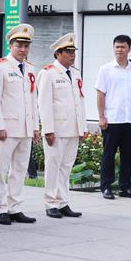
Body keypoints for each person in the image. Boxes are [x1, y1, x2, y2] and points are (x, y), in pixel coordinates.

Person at [0, 23, 39, 225]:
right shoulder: (0, 66)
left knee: (19, 170)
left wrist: (35, 127)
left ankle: (15, 207)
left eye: (26, 46)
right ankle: (0, 207)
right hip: (7, 129)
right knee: (1, 170)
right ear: (10, 45)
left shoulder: (31, 68)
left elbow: (33, 100)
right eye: (19, 45)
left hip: (25, 128)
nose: (23, 49)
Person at [37, 34, 86, 218]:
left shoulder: (75, 73)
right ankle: (51, 203)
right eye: (68, 52)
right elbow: (44, 103)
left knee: (66, 167)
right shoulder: (48, 73)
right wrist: (48, 129)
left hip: (72, 128)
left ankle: (63, 201)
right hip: (56, 129)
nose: (72, 55)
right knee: (53, 166)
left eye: (73, 52)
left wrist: (82, 127)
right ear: (58, 54)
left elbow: (79, 101)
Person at [95, 34, 131, 200]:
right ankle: (106, 186)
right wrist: (101, 117)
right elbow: (100, 94)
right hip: (112, 120)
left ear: (129, 49)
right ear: (113, 48)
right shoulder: (106, 69)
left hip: (129, 120)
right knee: (108, 154)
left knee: (127, 156)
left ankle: (125, 187)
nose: (119, 50)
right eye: (117, 47)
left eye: (123, 47)